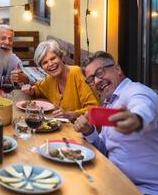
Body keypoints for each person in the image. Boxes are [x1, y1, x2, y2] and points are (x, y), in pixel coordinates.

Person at [73, 51, 158, 194]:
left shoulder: (136, 91)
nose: (97, 81)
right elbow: (106, 150)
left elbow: (142, 106)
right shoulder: (109, 103)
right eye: (91, 79)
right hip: (114, 181)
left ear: (117, 69)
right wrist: (89, 131)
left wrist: (136, 119)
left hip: (145, 190)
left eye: (99, 72)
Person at [22, 40, 100, 122]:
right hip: (64, 129)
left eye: (53, 58)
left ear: (61, 57)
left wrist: (72, 114)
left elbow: (95, 109)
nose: (50, 64)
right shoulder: (50, 79)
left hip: (86, 131)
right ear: (42, 68)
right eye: (45, 62)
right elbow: (38, 88)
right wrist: (31, 90)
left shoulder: (76, 73)